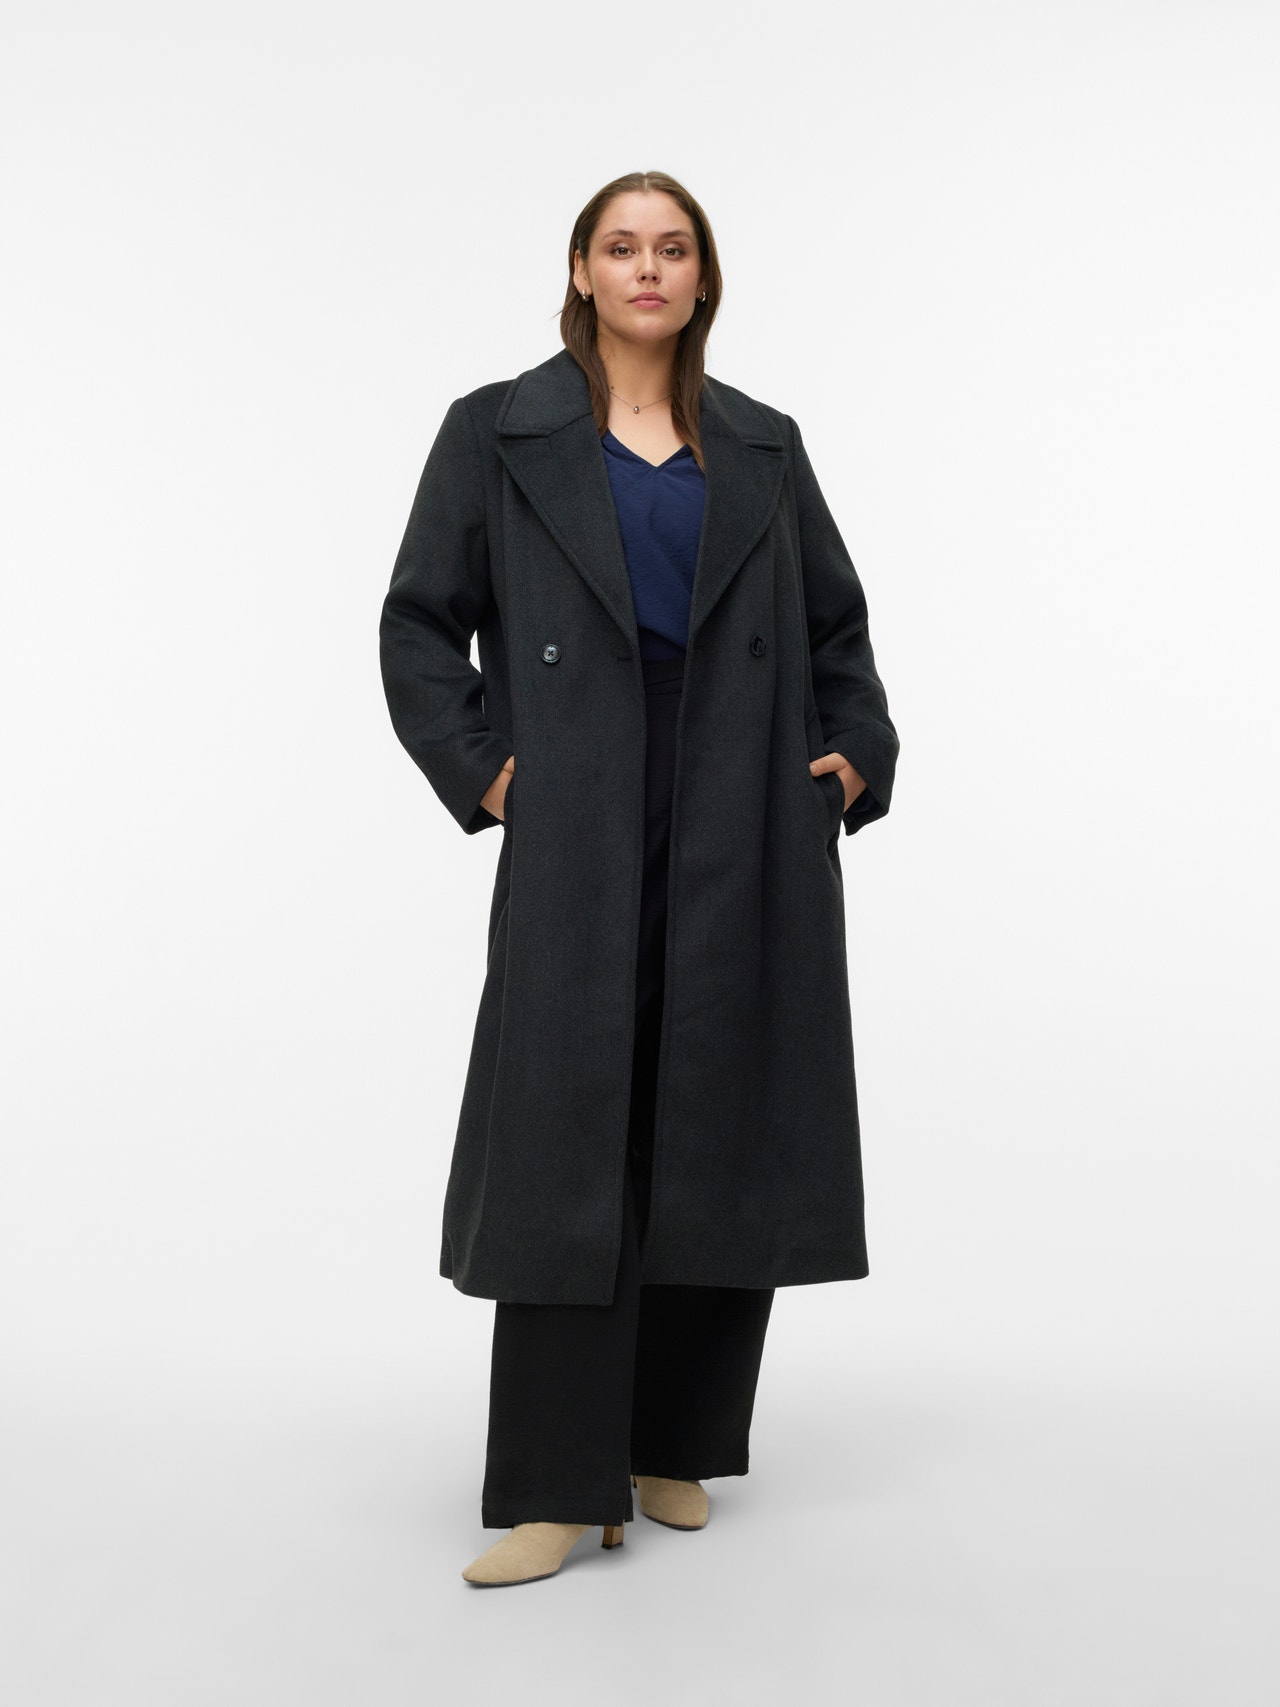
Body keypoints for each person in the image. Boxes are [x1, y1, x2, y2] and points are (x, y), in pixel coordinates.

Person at [379, 169, 900, 1588]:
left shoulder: (762, 442)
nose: (649, 269)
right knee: (571, 1123)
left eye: (673, 248)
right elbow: (419, 624)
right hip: (582, 798)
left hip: (747, 794)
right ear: (583, 271)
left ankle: (673, 1442)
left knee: (721, 1104)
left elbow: (838, 630)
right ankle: (558, 1485)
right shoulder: (499, 431)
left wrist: (850, 759)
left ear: (702, 276)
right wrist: (491, 773)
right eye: (622, 247)